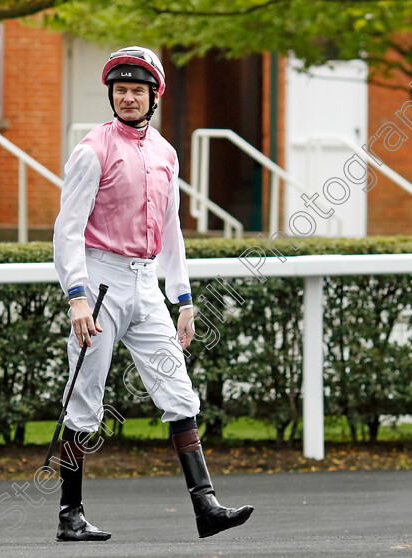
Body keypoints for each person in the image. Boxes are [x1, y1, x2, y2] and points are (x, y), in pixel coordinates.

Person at [52, 46, 254, 541]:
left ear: (154, 95)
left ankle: (206, 507)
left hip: (146, 286)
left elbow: (172, 230)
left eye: (137, 90)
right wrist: (76, 296)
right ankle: (69, 514)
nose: (127, 98)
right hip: (99, 282)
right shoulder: (91, 150)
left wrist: (183, 301)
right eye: (120, 90)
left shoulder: (166, 153)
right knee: (85, 400)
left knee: (179, 392)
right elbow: (66, 230)